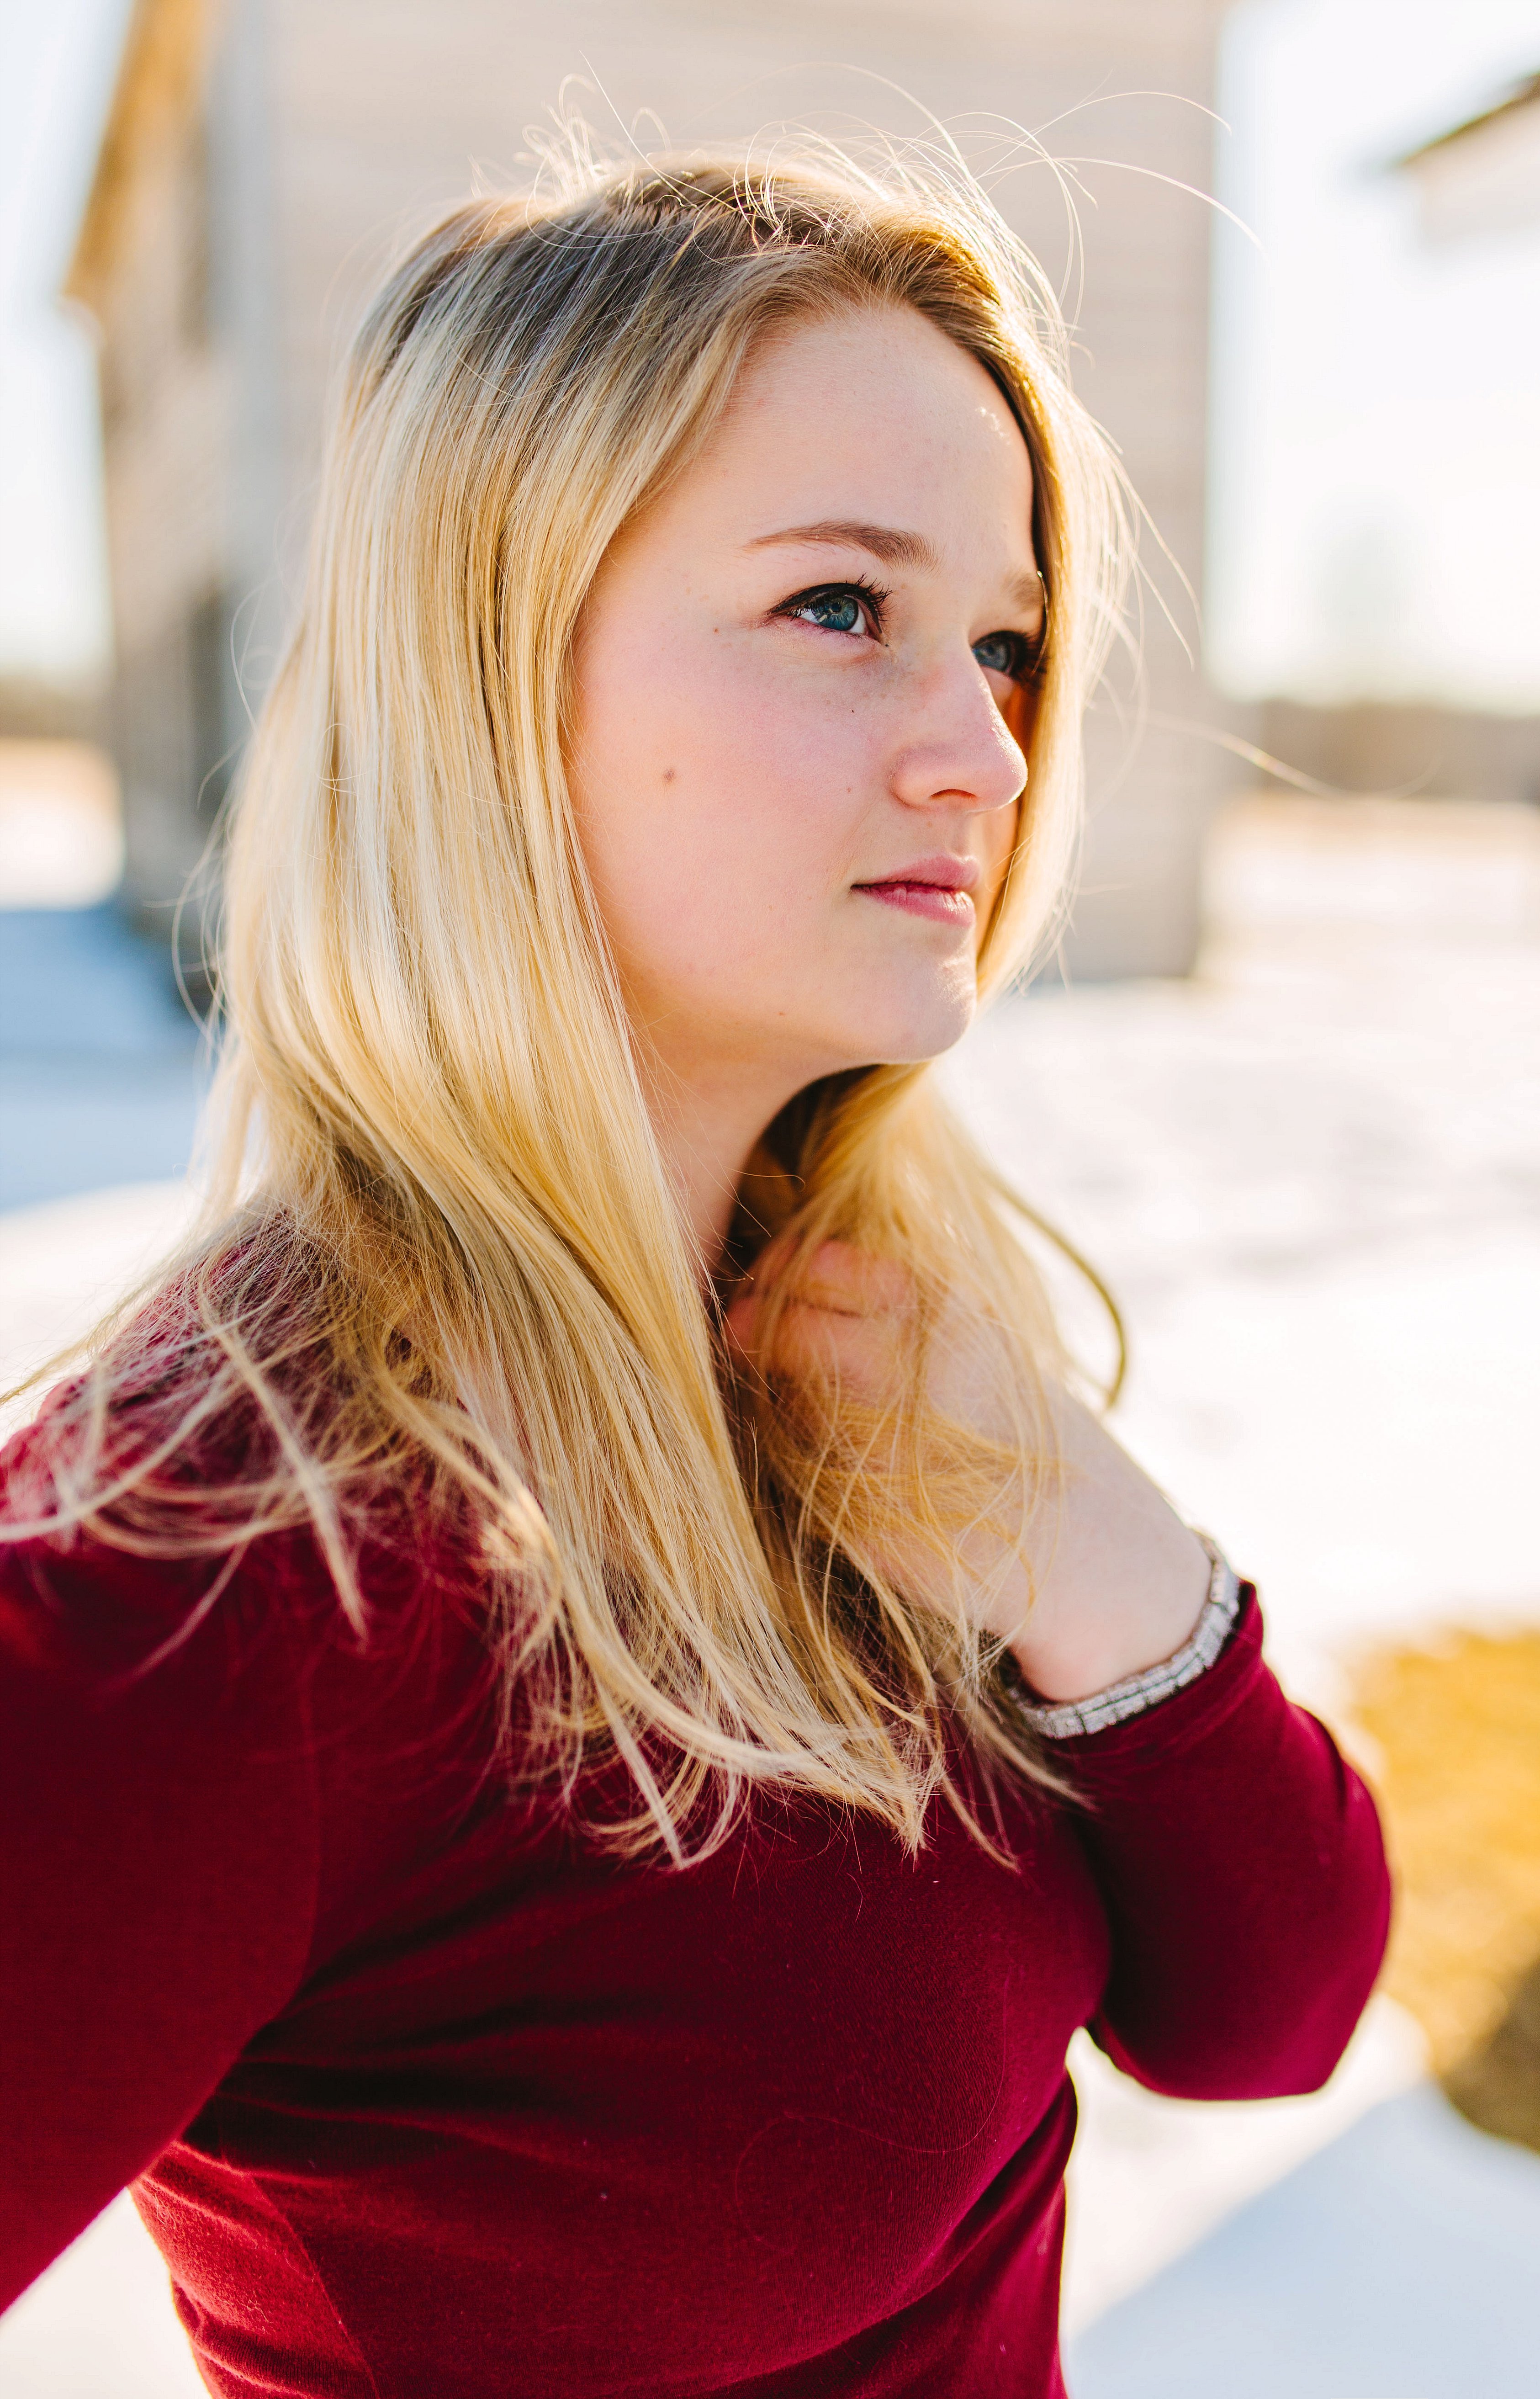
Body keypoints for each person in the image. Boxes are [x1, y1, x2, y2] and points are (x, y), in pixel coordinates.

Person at [0, 147, 1389, 2398]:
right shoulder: (229, 1562)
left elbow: (1270, 2006)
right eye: (840, 606)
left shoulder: (854, 1327)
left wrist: (1078, 1535)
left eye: (1007, 640)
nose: (984, 753)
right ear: (489, 666)